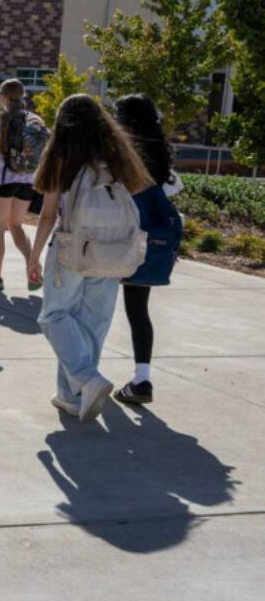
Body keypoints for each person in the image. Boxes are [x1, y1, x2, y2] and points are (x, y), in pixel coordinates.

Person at [27, 94, 152, 422]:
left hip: (71, 248)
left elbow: (48, 214)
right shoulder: (117, 157)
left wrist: (34, 255)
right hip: (111, 251)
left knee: (54, 317)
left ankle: (86, 379)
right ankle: (71, 396)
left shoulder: (62, 156)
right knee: (92, 323)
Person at [112, 94, 178, 406]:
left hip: (117, 237)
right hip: (150, 240)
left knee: (93, 307)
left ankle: (83, 375)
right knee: (138, 310)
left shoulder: (125, 152)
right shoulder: (161, 152)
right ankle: (142, 378)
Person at [0, 78, 41, 292]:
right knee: (17, 226)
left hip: (5, 178)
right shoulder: (34, 120)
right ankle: (32, 268)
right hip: (28, 180)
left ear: (3, 96)